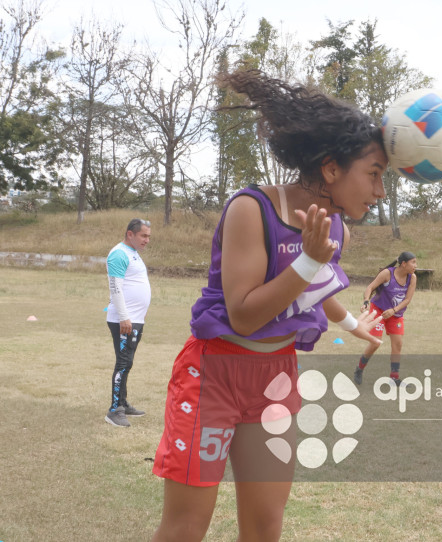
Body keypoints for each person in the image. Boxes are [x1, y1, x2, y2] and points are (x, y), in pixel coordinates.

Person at [151, 71, 386, 542]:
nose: (380, 191)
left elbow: (317, 289)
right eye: (374, 174)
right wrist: (307, 260)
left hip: (275, 381)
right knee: (185, 527)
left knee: (265, 526)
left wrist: (354, 324)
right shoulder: (251, 208)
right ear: (331, 168)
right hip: (215, 376)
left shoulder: (335, 228)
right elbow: (243, 313)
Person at [104, 218, 152, 428]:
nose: (147, 240)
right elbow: (115, 288)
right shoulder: (118, 253)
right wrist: (124, 316)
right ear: (130, 234)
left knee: (128, 362)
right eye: (143, 235)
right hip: (123, 321)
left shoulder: (134, 254)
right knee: (123, 363)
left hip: (135, 320)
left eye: (148, 236)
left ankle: (122, 402)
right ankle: (114, 410)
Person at [353, 252, 417, 386]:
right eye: (413, 262)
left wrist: (394, 310)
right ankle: (359, 369)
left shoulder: (412, 278)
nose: (415, 265)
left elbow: (407, 300)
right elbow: (370, 287)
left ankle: (394, 377)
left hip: (396, 313)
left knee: (398, 344)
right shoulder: (387, 273)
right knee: (375, 342)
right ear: (404, 264)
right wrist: (366, 301)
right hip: (378, 311)